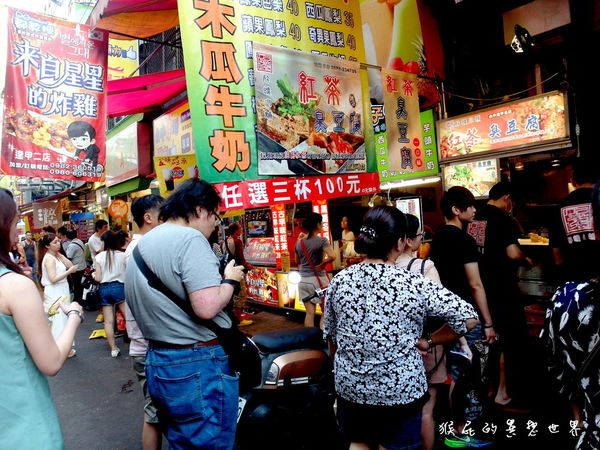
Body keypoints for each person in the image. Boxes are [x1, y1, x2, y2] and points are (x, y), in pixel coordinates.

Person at [324, 206, 479, 450]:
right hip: (400, 389)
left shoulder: (340, 280)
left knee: (359, 441)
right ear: (399, 243)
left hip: (351, 387)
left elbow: (331, 337)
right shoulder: (412, 282)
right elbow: (468, 318)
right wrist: (430, 340)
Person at [125, 179, 245, 449]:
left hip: (158, 360)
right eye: (215, 215)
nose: (216, 223)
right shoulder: (190, 238)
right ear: (201, 210)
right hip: (196, 363)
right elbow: (206, 307)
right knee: (208, 443)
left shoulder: (143, 245)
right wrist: (230, 281)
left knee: (183, 442)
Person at [0, 188, 83, 449]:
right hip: (22, 423)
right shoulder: (14, 286)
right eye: (16, 221)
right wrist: (74, 318)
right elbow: (50, 362)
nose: (18, 228)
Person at [429, 186, 496, 447]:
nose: (475, 210)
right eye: (470, 206)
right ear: (456, 210)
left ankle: (449, 428)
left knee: (451, 373)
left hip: (442, 317)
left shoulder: (437, 239)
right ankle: (459, 431)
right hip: (466, 317)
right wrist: (488, 322)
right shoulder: (463, 240)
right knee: (466, 374)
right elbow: (475, 284)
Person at [542, 182, 600, 450]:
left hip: (574, 296)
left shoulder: (565, 300)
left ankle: (578, 421)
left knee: (571, 367)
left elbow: (555, 363)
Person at [467, 181, 533, 411]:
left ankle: (487, 389)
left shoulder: (475, 218)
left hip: (480, 289)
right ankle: (502, 393)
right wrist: (527, 259)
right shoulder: (502, 218)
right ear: (506, 198)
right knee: (505, 341)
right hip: (502, 289)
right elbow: (513, 252)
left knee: (487, 340)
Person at [124, 194, 164, 450]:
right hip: (149, 345)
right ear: (148, 218)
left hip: (148, 343)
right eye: (164, 213)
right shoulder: (142, 250)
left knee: (158, 413)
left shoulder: (137, 249)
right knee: (154, 415)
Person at [549, 158, 600, 283]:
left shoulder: (560, 207)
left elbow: (556, 251)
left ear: (573, 181)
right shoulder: (597, 200)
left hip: (574, 274)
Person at [38, 233, 78, 358]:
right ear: (47, 246)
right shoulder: (49, 258)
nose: (58, 244)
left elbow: (72, 266)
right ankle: (61, 349)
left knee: (62, 318)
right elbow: (53, 278)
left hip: (61, 289)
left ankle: (63, 348)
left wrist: (60, 256)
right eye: (55, 242)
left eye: (58, 241)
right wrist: (68, 272)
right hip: (55, 290)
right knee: (58, 319)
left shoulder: (56, 256)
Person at [295, 212, 335, 328]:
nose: (322, 225)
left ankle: (310, 339)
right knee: (325, 312)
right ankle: (323, 338)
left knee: (309, 313)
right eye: (321, 223)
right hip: (318, 280)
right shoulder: (322, 241)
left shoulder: (299, 242)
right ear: (318, 224)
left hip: (303, 281)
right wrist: (323, 264)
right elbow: (332, 256)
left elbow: (297, 260)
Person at [92, 230, 127, 358]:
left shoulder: (99, 257)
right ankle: (137, 343)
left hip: (104, 289)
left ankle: (113, 348)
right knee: (128, 317)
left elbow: (98, 278)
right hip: (119, 287)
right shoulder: (122, 255)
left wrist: (93, 274)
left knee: (108, 321)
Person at [66, 228, 86, 305]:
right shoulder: (79, 241)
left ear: (67, 236)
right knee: (80, 285)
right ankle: (80, 299)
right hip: (82, 266)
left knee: (77, 285)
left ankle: (77, 300)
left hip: (76, 268)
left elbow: (68, 257)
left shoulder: (72, 245)